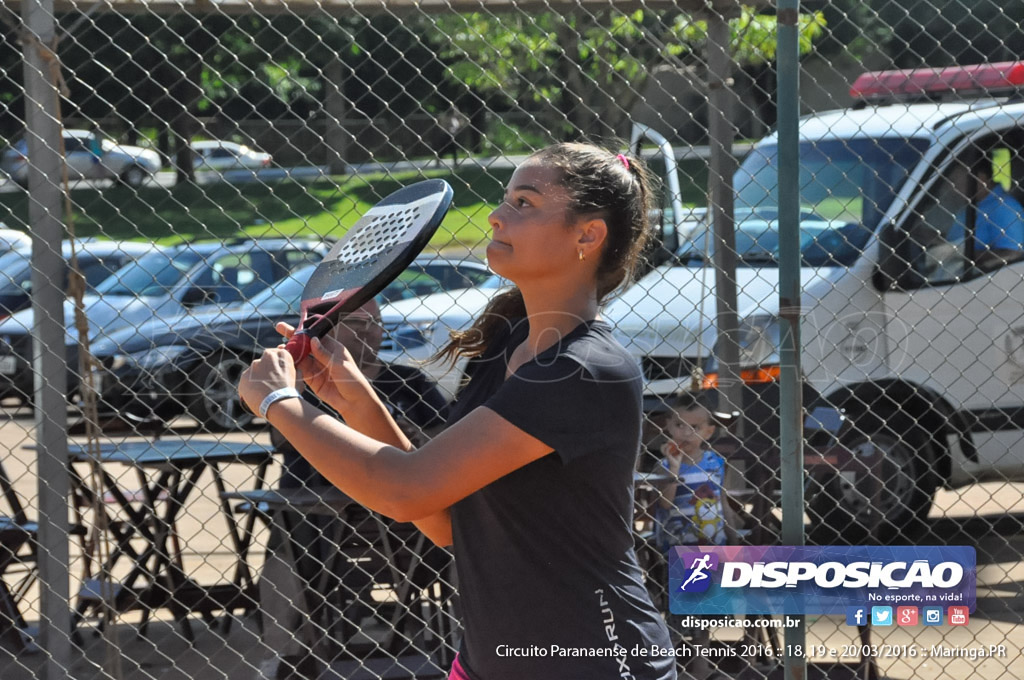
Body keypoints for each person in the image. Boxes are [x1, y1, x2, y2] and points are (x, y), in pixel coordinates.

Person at [239, 143, 677, 680]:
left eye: (525, 202)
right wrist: (355, 402)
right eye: (505, 198)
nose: (497, 214)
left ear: (588, 235)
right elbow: (446, 521)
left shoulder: (582, 369)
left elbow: (404, 490)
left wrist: (279, 404)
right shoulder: (505, 346)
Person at [257, 298, 449, 680]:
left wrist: (415, 438)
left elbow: (448, 434)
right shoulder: (305, 383)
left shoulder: (407, 381)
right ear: (324, 333)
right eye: (356, 324)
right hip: (319, 516)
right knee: (283, 557)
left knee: (466, 536)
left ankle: (459, 650)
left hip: (407, 522)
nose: (368, 332)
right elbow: (282, 438)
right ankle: (280, 658)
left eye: (375, 323)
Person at [653, 392, 738, 552]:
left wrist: (734, 545)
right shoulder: (664, 465)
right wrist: (674, 468)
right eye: (679, 425)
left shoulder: (716, 463)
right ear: (668, 426)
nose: (686, 433)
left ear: (709, 432)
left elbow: (723, 504)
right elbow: (665, 503)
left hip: (715, 547)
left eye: (695, 427)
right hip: (679, 548)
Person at [946, 153, 1024, 270]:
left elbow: (1013, 254)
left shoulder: (1004, 208)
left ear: (980, 178)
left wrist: (964, 254)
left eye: (955, 181)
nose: (952, 188)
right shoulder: (971, 205)